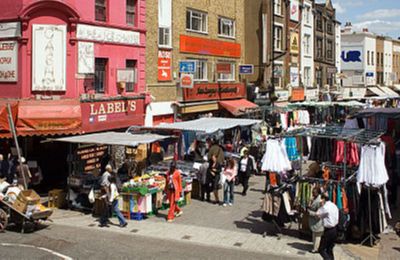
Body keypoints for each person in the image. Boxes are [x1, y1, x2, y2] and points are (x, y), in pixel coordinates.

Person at [309, 193, 339, 260]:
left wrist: (320, 206)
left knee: (321, 249)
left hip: (328, 230)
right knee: (329, 249)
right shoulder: (334, 205)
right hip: (335, 229)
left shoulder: (325, 207)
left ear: (323, 199)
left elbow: (317, 215)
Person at [308, 187, 324, 254]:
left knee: (317, 236)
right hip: (314, 222)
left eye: (314, 193)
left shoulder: (319, 201)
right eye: (312, 192)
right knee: (315, 235)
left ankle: (316, 249)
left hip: (318, 222)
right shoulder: (313, 199)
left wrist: (310, 212)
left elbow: (319, 214)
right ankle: (315, 247)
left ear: (318, 193)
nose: (313, 194)